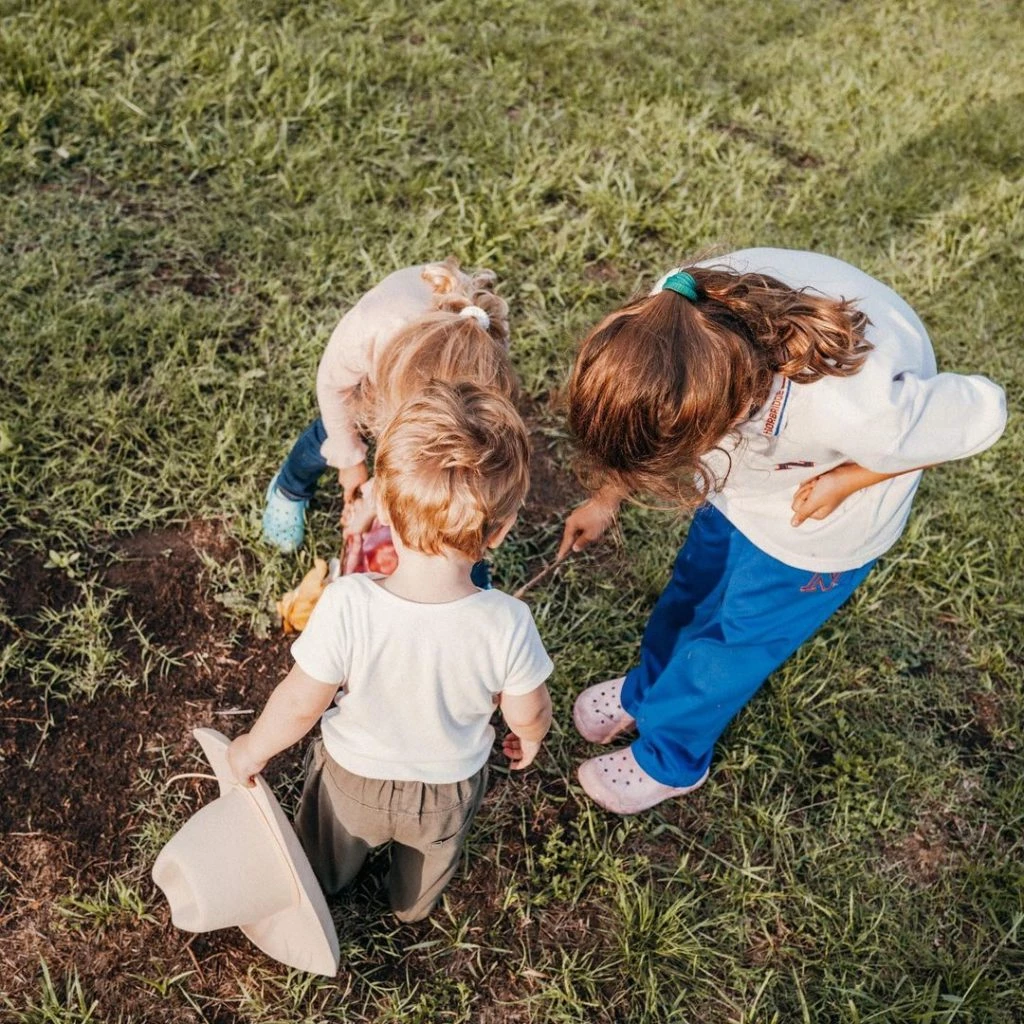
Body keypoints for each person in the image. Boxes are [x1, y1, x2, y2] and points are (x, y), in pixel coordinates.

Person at [557, 248, 1007, 815]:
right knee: (691, 594)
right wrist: (607, 498)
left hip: (816, 535)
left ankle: (670, 760)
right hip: (743, 494)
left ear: (723, 410)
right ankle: (646, 689)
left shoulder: (860, 411)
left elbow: (982, 411)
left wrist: (848, 477)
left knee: (732, 645)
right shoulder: (664, 321)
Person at [230, 381, 554, 922]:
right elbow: (529, 709)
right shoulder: (508, 622)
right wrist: (530, 736)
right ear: (500, 532)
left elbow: (299, 704)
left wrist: (252, 750)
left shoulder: (348, 603)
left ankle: (326, 882)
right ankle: (410, 906)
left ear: (384, 511)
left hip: (352, 782)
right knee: (429, 861)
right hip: (447, 788)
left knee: (327, 854)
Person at [262, 259, 514, 555]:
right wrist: (350, 460)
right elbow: (331, 387)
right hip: (376, 359)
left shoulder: (484, 367)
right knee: (329, 434)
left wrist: (372, 499)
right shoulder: (368, 333)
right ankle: (289, 488)